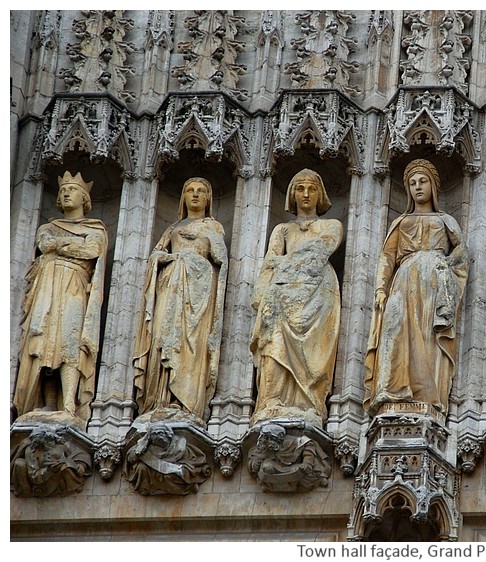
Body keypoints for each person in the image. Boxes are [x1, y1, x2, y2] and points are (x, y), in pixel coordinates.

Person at [363, 159, 469, 417]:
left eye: (422, 181)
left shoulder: (445, 221)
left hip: (433, 285)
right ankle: (395, 390)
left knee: (428, 337)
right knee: (396, 331)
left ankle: (427, 395)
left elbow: (462, 255)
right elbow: (387, 258)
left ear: (433, 186)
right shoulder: (401, 222)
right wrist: (380, 288)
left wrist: (445, 269)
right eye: (412, 183)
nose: (417, 187)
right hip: (404, 280)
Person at [250, 169, 343, 425]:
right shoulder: (282, 230)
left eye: (311, 189)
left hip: (316, 296)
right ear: (291, 194)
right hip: (280, 297)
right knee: (274, 346)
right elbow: (270, 262)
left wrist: (283, 263)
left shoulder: (331, 225)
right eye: (299, 188)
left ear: (319, 194)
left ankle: (309, 403)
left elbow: (320, 251)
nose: (305, 194)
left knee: (312, 353)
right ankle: (272, 400)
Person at [14, 171, 108, 426]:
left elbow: (92, 249)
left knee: (70, 342)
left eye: (72, 189)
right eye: (62, 189)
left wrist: (60, 246)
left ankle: (69, 405)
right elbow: (44, 244)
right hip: (47, 290)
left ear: (85, 198)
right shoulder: (48, 226)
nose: (66, 193)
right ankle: (47, 403)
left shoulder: (95, 228)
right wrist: (68, 247)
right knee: (43, 345)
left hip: (74, 288)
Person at [133, 177, 228, 423]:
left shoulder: (213, 226)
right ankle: (159, 400)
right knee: (162, 339)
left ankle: (185, 404)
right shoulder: (172, 228)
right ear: (183, 197)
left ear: (209, 199)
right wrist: (162, 259)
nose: (195, 195)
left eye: (201, 191)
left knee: (190, 344)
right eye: (190, 190)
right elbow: (158, 252)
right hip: (170, 286)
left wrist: (196, 249)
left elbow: (219, 258)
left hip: (196, 291)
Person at [124, 422, 211, 495]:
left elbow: (196, 460)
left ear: (169, 435)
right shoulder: (145, 446)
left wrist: (181, 470)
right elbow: (130, 457)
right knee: (141, 468)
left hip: (174, 472)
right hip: (151, 473)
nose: (158, 436)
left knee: (174, 474)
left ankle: (187, 486)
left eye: (161, 433)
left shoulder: (180, 446)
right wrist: (138, 452)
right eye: (154, 434)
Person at [247, 423, 331, 492]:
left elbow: (307, 443)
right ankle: (279, 486)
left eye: (267, 438)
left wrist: (307, 462)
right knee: (267, 467)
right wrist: (253, 464)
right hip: (275, 468)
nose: (264, 440)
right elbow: (254, 455)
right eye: (264, 437)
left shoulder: (291, 441)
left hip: (293, 468)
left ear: (276, 438)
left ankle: (317, 478)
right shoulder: (263, 445)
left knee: (304, 471)